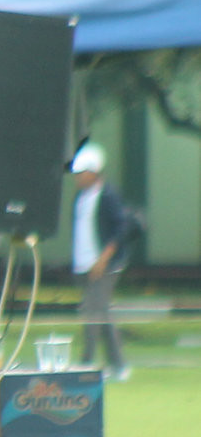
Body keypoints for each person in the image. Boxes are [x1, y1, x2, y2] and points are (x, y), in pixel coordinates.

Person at [69, 143, 137, 381]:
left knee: (92, 312)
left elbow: (120, 229)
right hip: (83, 264)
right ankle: (119, 365)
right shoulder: (80, 198)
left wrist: (103, 260)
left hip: (105, 265)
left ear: (94, 172)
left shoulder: (108, 195)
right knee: (102, 313)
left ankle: (86, 363)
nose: (77, 178)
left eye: (81, 173)